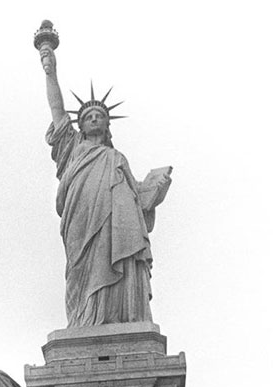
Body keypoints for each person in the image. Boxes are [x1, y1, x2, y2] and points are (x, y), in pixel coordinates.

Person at [39, 42, 172, 327]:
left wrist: (154, 190)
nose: (95, 118)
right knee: (80, 272)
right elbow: (57, 110)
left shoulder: (116, 157)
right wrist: (51, 71)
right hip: (81, 220)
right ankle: (84, 320)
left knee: (118, 258)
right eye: (88, 117)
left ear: (107, 124)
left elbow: (137, 198)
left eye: (100, 116)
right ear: (82, 125)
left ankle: (120, 315)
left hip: (117, 226)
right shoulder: (72, 148)